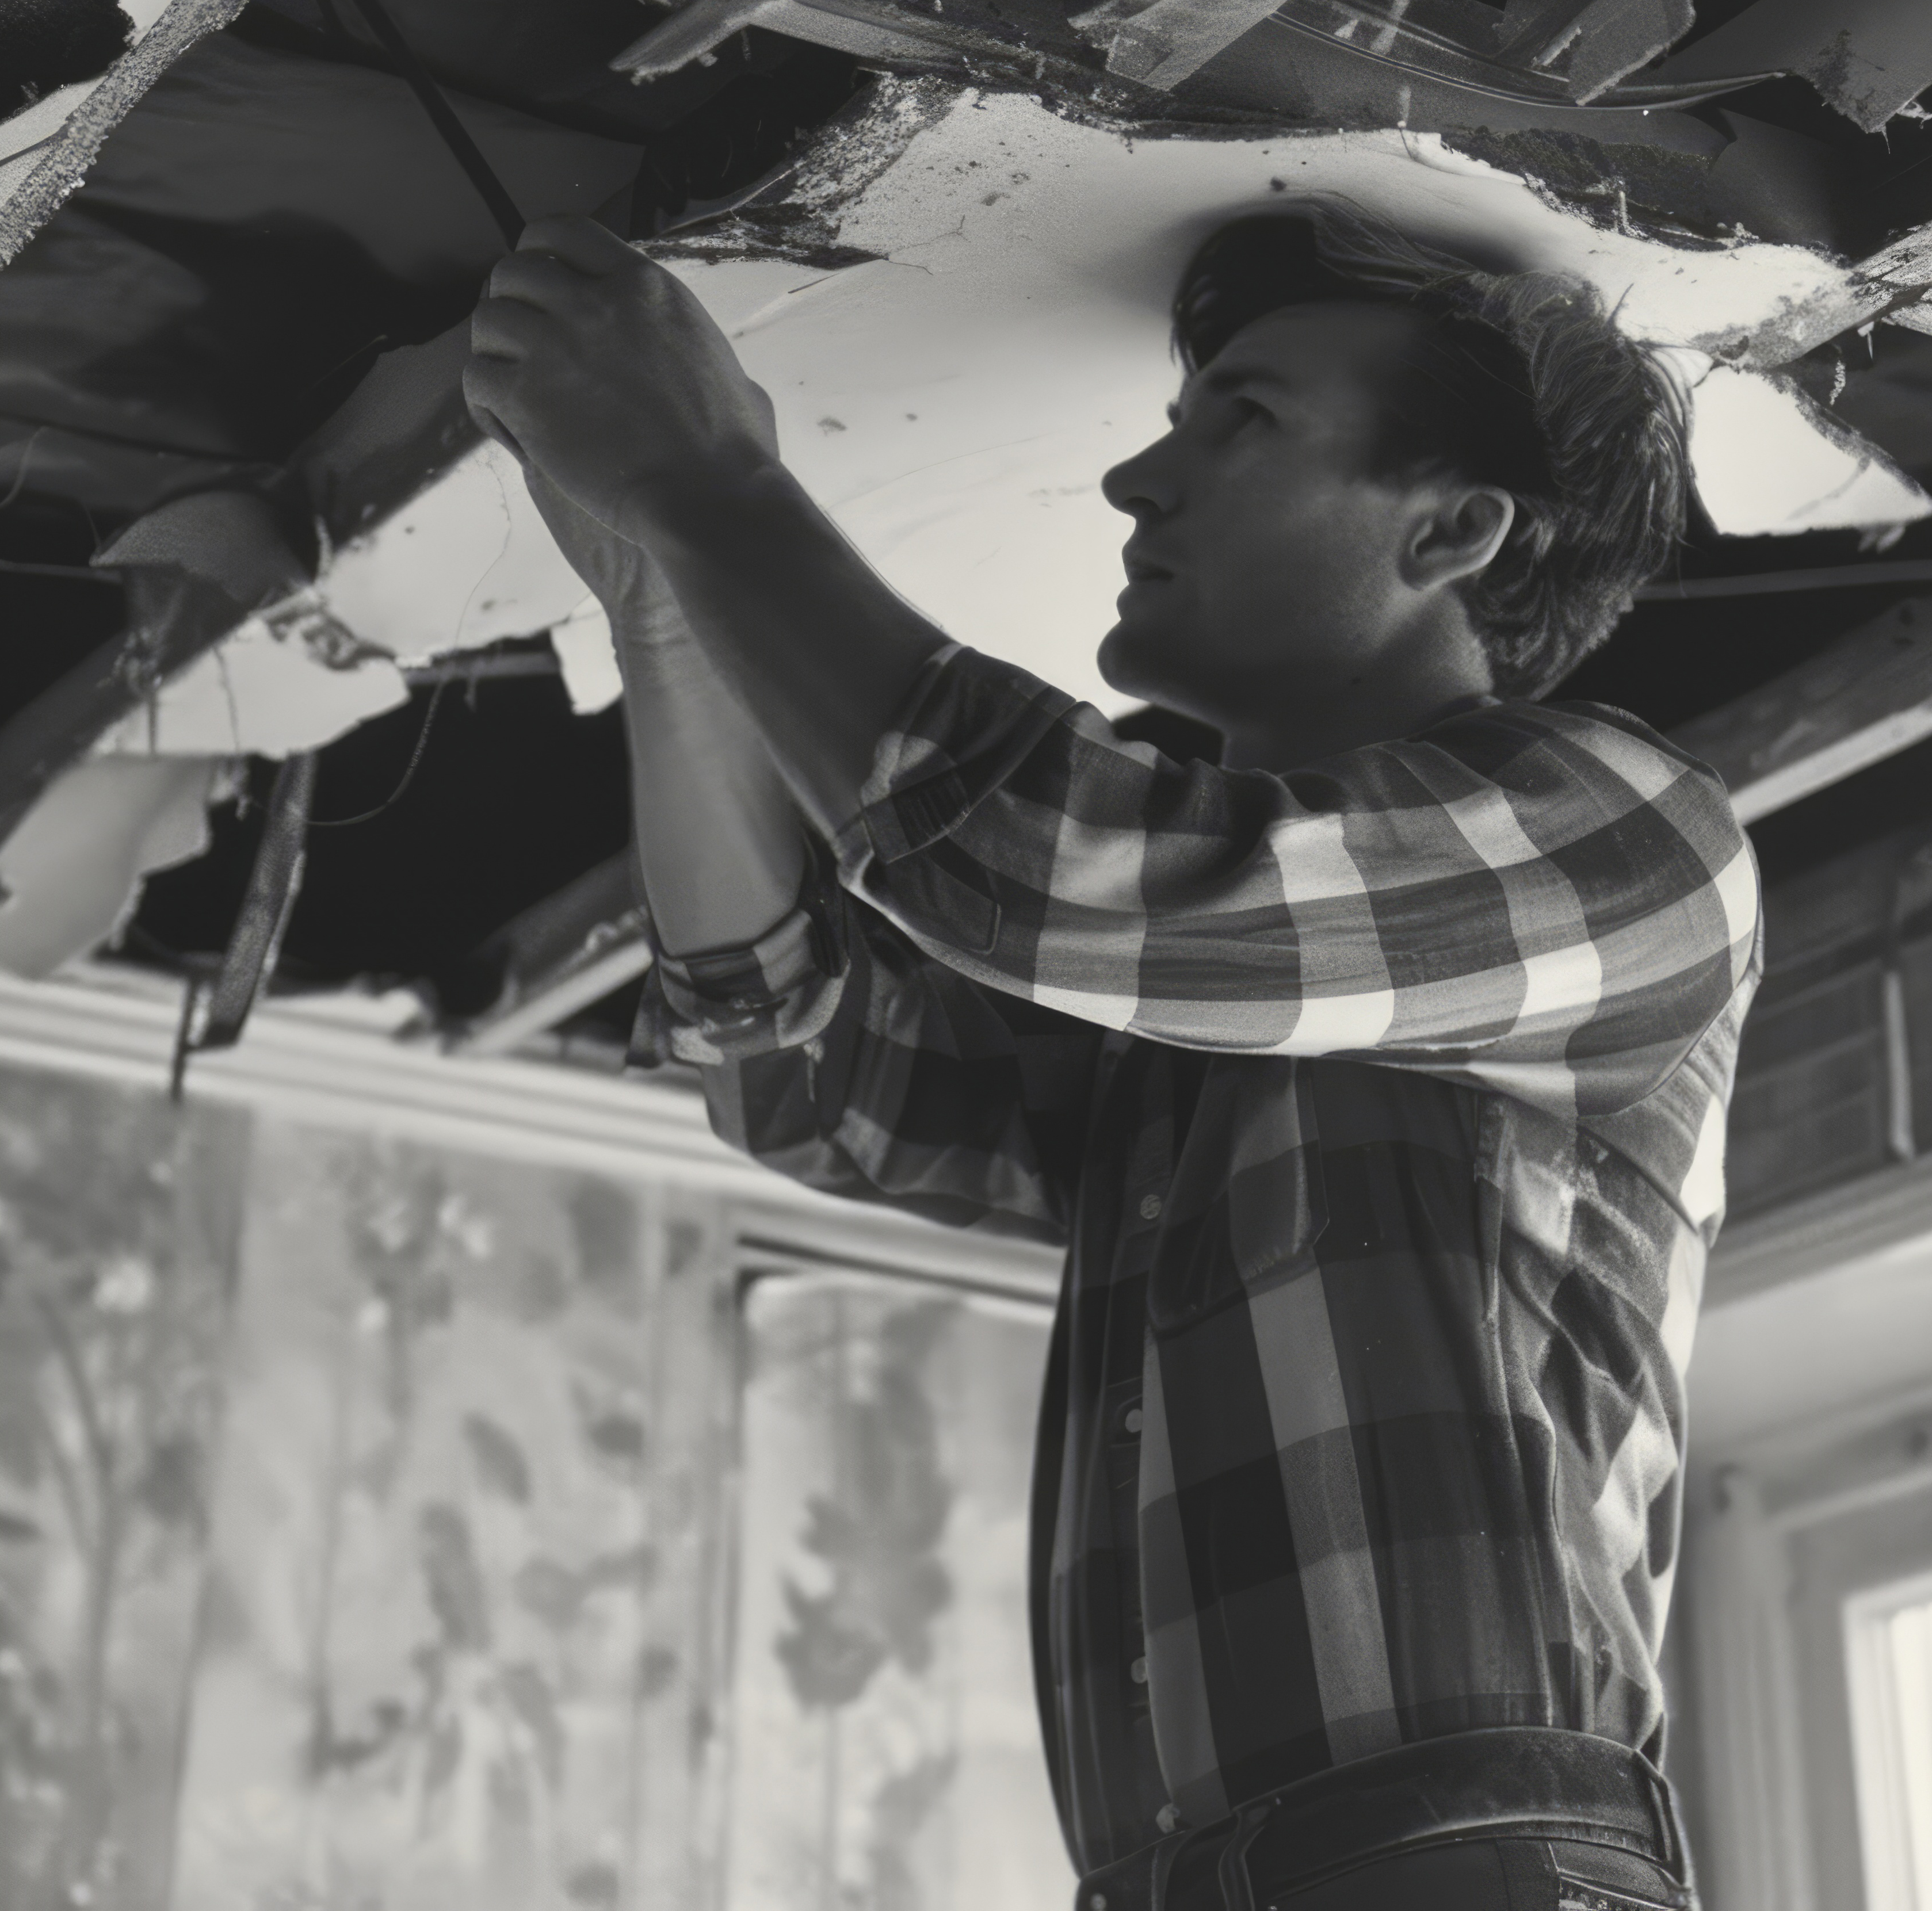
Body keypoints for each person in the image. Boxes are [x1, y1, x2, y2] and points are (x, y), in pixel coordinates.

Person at [464, 200, 1759, 1911]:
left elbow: (1040, 863)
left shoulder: (1628, 832)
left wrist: (713, 485)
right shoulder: (1197, 1048)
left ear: (1453, 528)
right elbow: (808, 1077)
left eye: (1244, 424)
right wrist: (663, 608)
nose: (1136, 487)